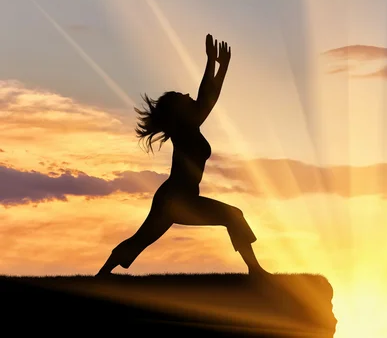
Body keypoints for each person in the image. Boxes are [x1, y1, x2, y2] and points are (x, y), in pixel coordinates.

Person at [97, 34, 269, 276]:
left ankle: (102, 275)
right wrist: (213, 63)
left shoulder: (190, 126)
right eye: (183, 98)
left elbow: (206, 99)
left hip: (177, 199)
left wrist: (220, 66)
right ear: (179, 111)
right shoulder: (185, 128)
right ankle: (256, 270)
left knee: (141, 239)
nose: (189, 97)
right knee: (233, 215)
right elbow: (206, 98)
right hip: (176, 199)